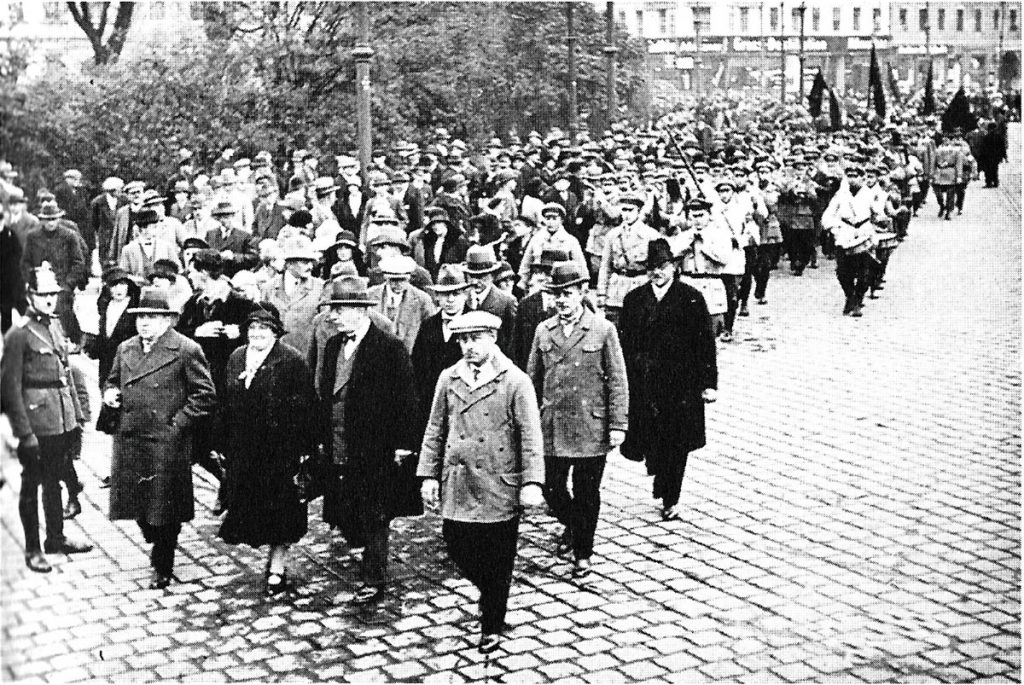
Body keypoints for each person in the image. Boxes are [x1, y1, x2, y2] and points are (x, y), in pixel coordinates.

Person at [417, 310, 545, 654]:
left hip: (498, 482)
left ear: (494, 338)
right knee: (456, 543)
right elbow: (435, 428)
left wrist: (532, 482)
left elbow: (530, 436)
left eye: (476, 338)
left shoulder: (515, 381)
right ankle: (491, 593)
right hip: (458, 479)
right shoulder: (449, 378)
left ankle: (492, 621)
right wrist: (428, 474)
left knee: (498, 556)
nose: (469, 346)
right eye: (463, 339)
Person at [314, 276, 421, 605]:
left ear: (361, 312)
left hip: (374, 444)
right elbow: (326, 392)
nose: (334, 316)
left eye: (341, 309)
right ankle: (362, 547)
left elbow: (407, 399)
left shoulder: (388, 347)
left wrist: (404, 444)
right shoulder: (334, 345)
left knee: (375, 511)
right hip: (339, 439)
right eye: (334, 309)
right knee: (344, 507)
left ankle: (374, 577)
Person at [104, 287, 217, 589]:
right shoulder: (126, 347)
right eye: (141, 317)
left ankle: (163, 563)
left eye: (152, 318)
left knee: (164, 506)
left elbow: (205, 395)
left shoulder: (186, 350)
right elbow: (113, 379)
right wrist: (111, 393)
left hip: (165, 440)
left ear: (168, 320)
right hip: (131, 436)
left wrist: (177, 424)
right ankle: (155, 537)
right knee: (139, 505)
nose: (145, 324)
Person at [526, 262, 628, 579]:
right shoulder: (544, 330)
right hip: (552, 427)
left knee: (586, 493)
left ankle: (583, 553)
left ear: (582, 293)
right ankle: (573, 524)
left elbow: (617, 380)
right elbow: (532, 379)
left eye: (568, 294)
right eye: (557, 295)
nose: (562, 301)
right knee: (552, 488)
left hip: (590, 427)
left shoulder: (603, 329)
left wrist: (618, 425)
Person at [1, 265, 93, 572]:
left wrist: (75, 417)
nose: (49, 300)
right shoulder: (19, 334)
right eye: (43, 295)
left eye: (53, 294)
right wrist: (24, 434)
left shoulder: (54, 325)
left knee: (54, 481)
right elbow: (10, 388)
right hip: (36, 422)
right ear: (30, 296)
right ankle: (32, 549)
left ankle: (56, 537)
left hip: (59, 417)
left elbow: (65, 372)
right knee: (32, 485)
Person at [218, 307, 316, 595]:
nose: (257, 334)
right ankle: (269, 556)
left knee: (281, 512)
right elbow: (226, 401)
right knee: (252, 509)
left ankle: (277, 567)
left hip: (279, 453)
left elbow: (306, 409)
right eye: (252, 329)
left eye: (264, 329)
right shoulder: (237, 357)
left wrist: (302, 450)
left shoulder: (291, 361)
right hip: (245, 451)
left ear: (275, 332)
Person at [618, 240, 717, 520]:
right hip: (644, 383)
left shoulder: (691, 298)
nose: (657, 273)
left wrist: (708, 383)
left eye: (662, 267)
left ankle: (671, 496)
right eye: (651, 268)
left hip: (680, 385)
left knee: (677, 441)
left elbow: (705, 344)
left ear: (674, 267)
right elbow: (624, 344)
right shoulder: (634, 299)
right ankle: (660, 473)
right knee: (650, 437)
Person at [410, 266, 471, 438]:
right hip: (431, 407)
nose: (450, 299)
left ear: (465, 295)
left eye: (456, 294)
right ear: (437, 296)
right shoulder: (429, 326)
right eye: (445, 294)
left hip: (464, 406)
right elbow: (417, 368)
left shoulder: (475, 325)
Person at [22, 200, 87, 346]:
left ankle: (74, 340)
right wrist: (31, 280)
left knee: (64, 309)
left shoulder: (69, 236)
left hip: (63, 284)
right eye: (47, 220)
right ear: (42, 220)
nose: (51, 223)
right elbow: (25, 262)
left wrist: (68, 284)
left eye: (54, 219)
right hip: (39, 285)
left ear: (59, 218)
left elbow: (78, 263)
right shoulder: (33, 237)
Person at [597, 192, 661, 326]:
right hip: (617, 290)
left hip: (641, 286)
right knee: (616, 329)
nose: (626, 214)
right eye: (623, 210)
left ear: (638, 211)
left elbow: (660, 267)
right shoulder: (613, 235)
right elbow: (605, 266)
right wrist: (601, 293)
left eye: (630, 210)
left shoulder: (651, 235)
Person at [260, 235, 324, 356]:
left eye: (311, 261)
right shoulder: (269, 288)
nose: (310, 266)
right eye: (304, 262)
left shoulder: (320, 288)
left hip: (305, 358)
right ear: (289, 264)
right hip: (275, 357)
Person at [367, 256, 437, 353]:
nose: (399, 284)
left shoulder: (422, 299)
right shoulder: (370, 296)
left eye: (403, 280)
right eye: (394, 280)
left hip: (409, 356)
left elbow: (432, 329)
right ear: (386, 278)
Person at [463, 245, 517, 356]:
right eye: (472, 276)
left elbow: (512, 343)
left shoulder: (506, 302)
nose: (475, 281)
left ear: (492, 276)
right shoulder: (462, 299)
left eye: (482, 276)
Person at [118, 208, 181, 279]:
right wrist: (135, 279)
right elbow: (123, 274)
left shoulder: (166, 246)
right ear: (143, 229)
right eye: (154, 227)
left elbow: (178, 270)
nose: (158, 230)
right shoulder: (128, 249)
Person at [204, 201, 259, 277]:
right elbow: (204, 255)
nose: (224, 220)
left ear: (233, 216)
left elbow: (253, 258)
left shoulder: (244, 236)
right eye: (221, 217)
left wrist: (234, 256)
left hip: (235, 276)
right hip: (215, 277)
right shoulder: (210, 234)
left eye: (227, 216)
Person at [978, 122, 1007, 188]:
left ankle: (989, 183)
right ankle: (995, 182)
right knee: (994, 169)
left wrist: (981, 156)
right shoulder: (998, 136)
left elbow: (982, 148)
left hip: (988, 157)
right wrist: (1004, 156)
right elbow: (1002, 147)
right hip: (996, 157)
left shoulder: (986, 137)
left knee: (988, 170)